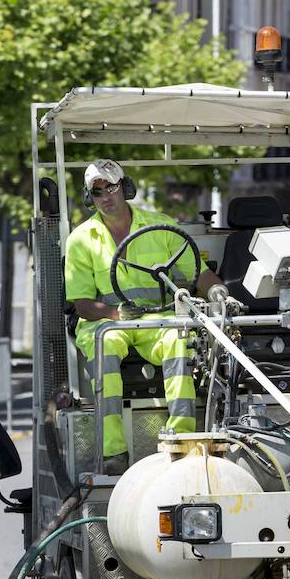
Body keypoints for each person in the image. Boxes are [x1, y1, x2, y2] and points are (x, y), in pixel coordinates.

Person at [65, 158, 231, 476]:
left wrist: (218, 293)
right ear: (90, 198)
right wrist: (116, 313)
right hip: (106, 323)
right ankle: (113, 451)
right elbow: (82, 304)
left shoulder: (161, 227)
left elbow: (199, 272)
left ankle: (183, 441)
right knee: (107, 343)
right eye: (97, 191)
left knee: (180, 339)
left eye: (111, 187)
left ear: (126, 188)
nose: (105, 196)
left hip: (157, 322)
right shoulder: (81, 239)